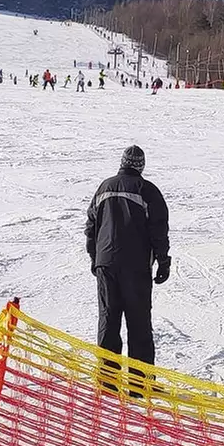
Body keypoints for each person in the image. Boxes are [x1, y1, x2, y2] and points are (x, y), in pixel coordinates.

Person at [86, 145, 170, 389]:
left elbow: (91, 227)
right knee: (139, 322)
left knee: (109, 319)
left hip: (106, 264)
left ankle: (107, 380)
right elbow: (158, 229)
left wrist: (95, 258)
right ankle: (139, 384)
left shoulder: (104, 187)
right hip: (135, 266)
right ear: (141, 166)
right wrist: (163, 260)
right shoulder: (148, 190)